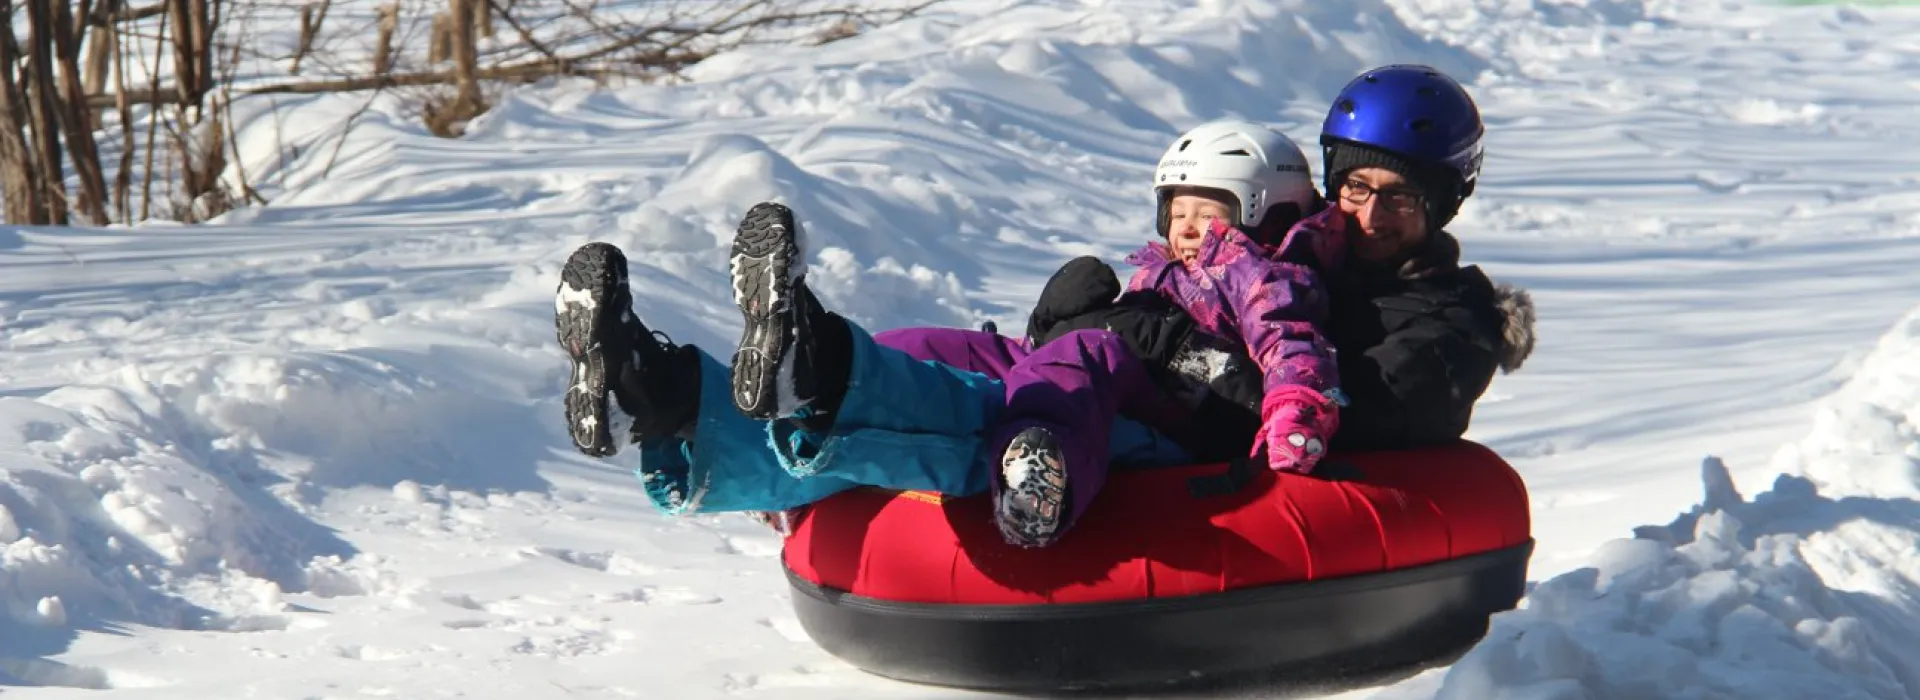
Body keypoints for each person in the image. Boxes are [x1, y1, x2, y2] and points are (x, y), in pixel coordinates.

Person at [553, 120, 1346, 548]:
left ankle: (1042, 472)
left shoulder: (1263, 272)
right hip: (1108, 382)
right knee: (925, 346)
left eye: (1207, 216)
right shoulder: (1159, 274)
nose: (1185, 233)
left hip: (1180, 416)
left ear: (1264, 214)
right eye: (1175, 216)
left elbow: (1286, 344)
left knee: (1083, 352)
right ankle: (668, 395)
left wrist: (1294, 412)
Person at [1026, 64, 1536, 452]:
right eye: (1356, 187)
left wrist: (1173, 348)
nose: (1371, 216)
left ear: (1444, 204)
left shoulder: (1450, 330)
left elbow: (1330, 417)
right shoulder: (1296, 258)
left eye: (1401, 197)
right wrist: (1072, 327)